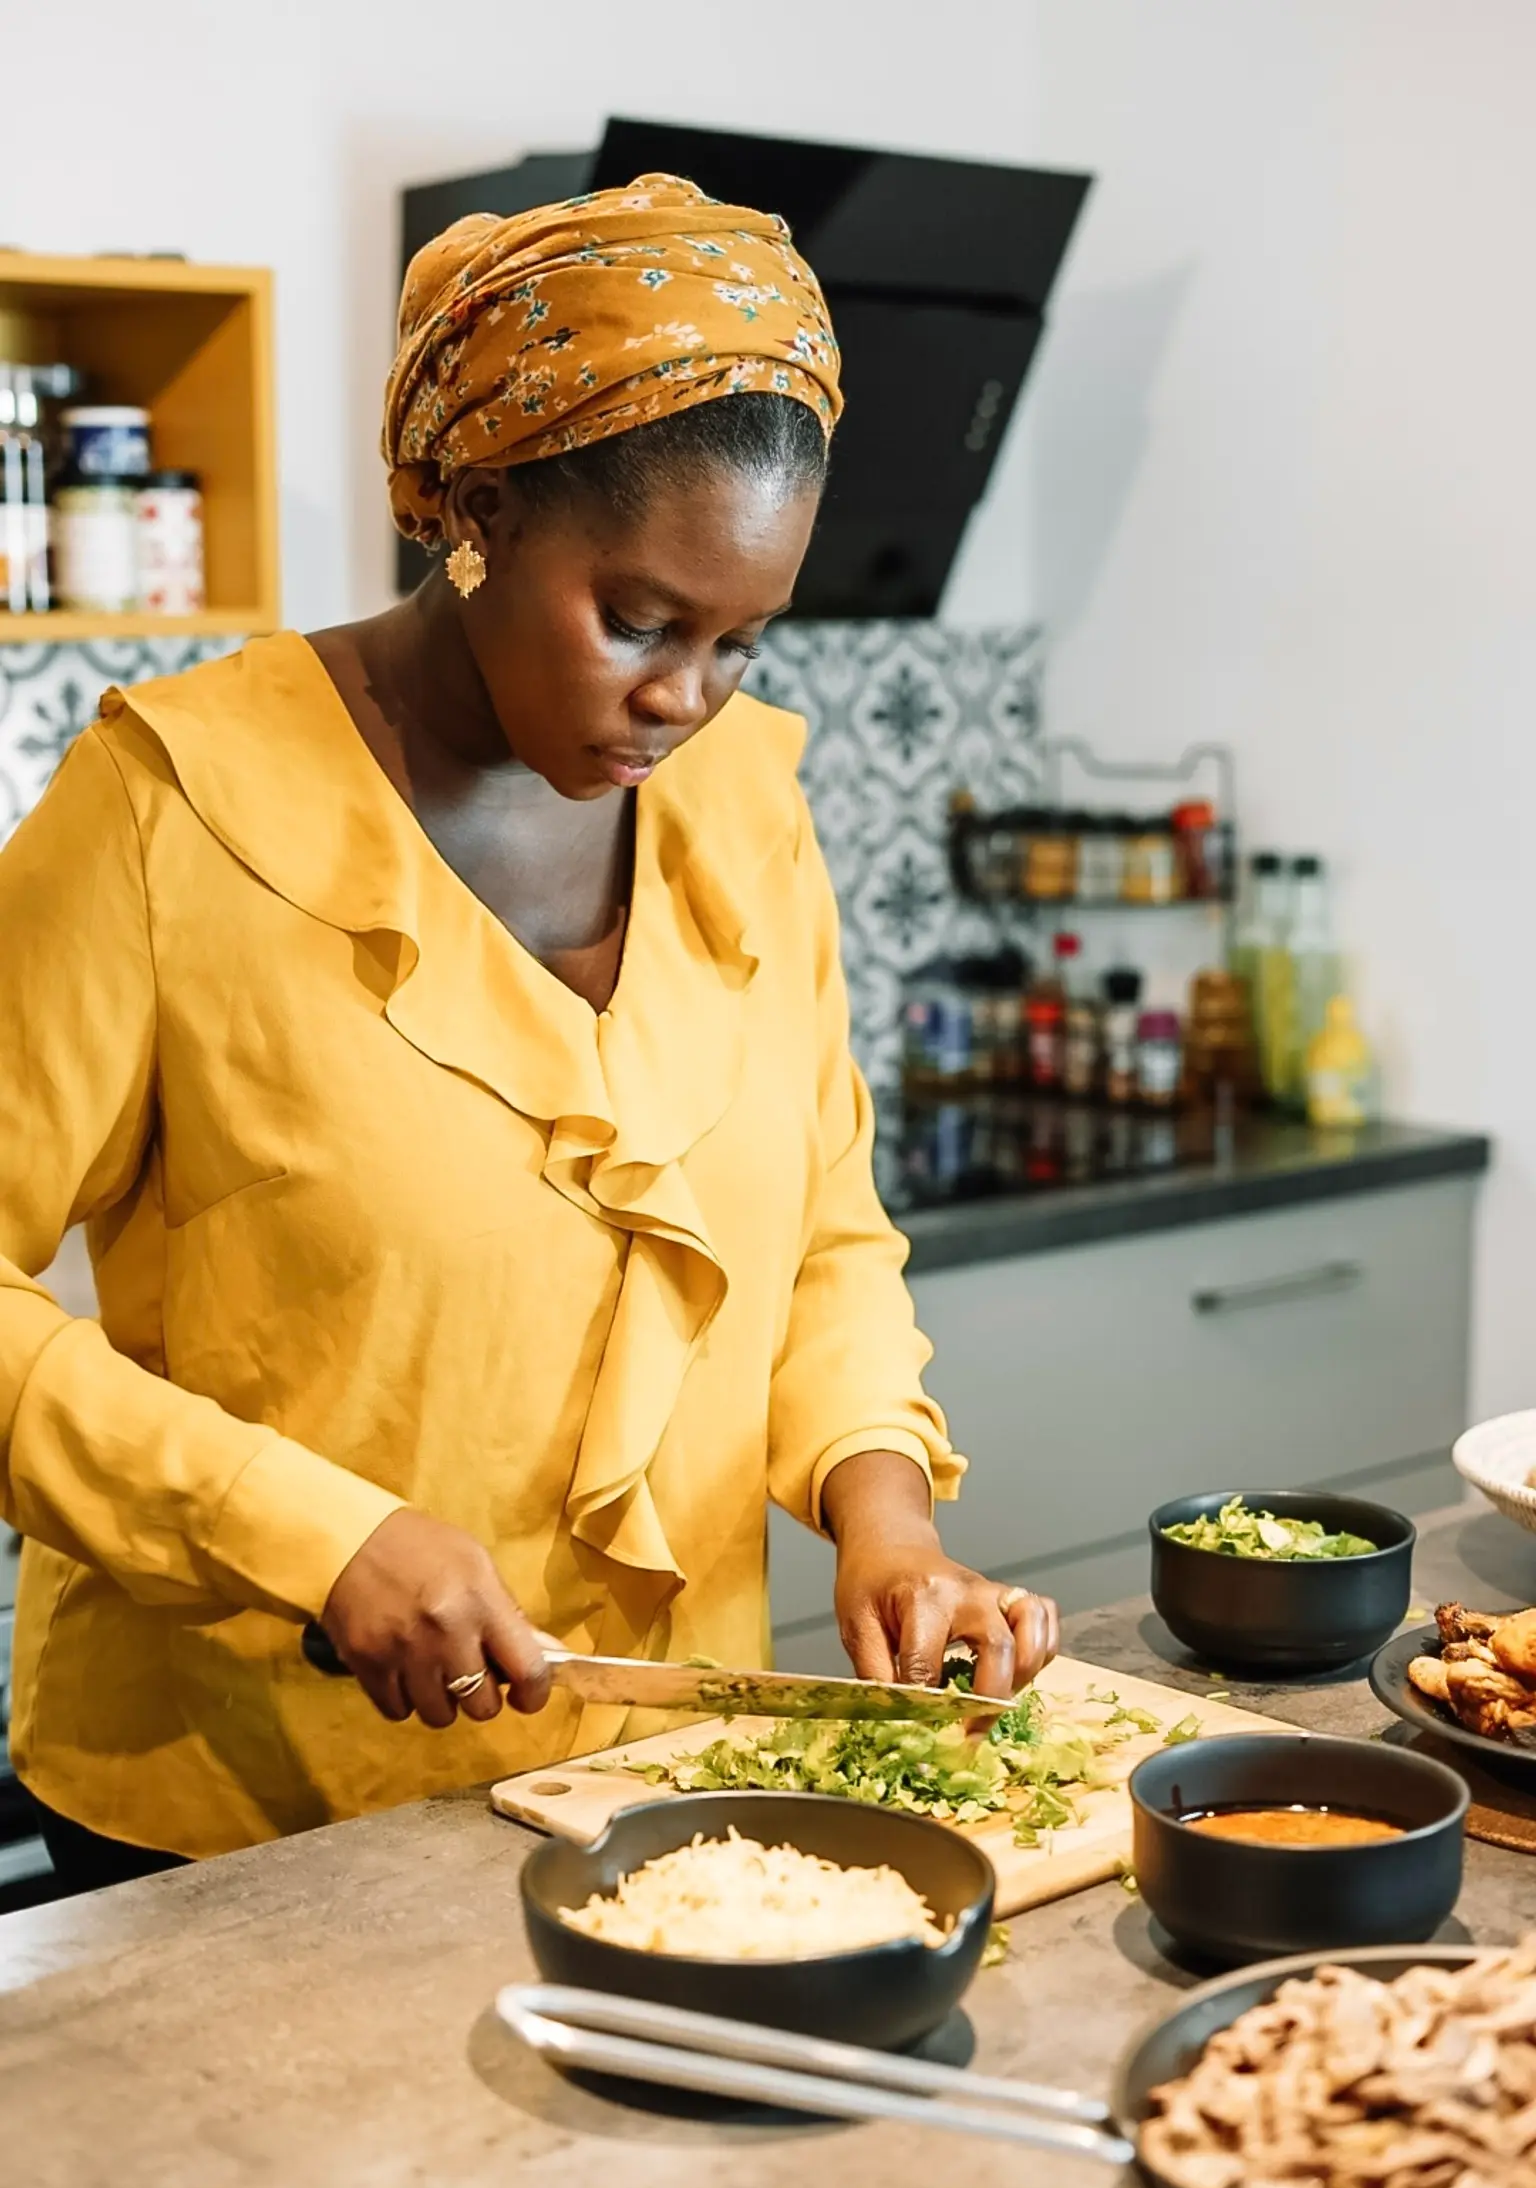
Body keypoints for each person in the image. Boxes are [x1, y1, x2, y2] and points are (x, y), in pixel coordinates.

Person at [0, 174, 1058, 1892]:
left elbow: (824, 1243)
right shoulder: (167, 810)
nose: (687, 698)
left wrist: (886, 1511)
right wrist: (312, 1534)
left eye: (740, 638)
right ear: (476, 511)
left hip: (659, 1780)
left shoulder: (745, 815)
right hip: (239, 1809)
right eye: (639, 619)